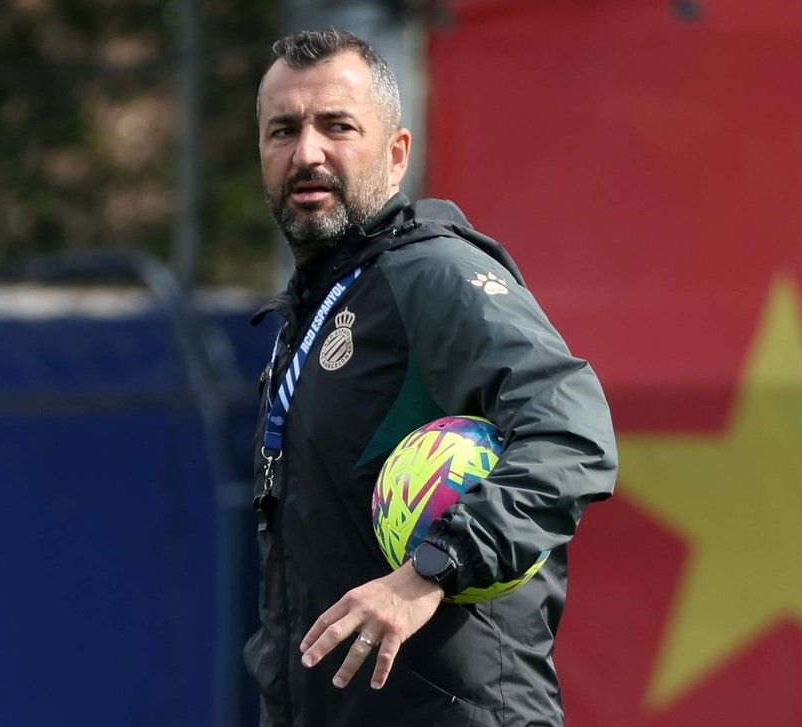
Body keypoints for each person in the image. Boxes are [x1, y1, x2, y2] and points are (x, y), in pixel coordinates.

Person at [244, 29, 618, 726]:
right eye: (283, 130)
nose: (307, 152)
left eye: (337, 126)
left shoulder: (430, 273)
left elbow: (573, 432)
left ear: (395, 154)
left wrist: (430, 568)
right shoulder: (315, 310)